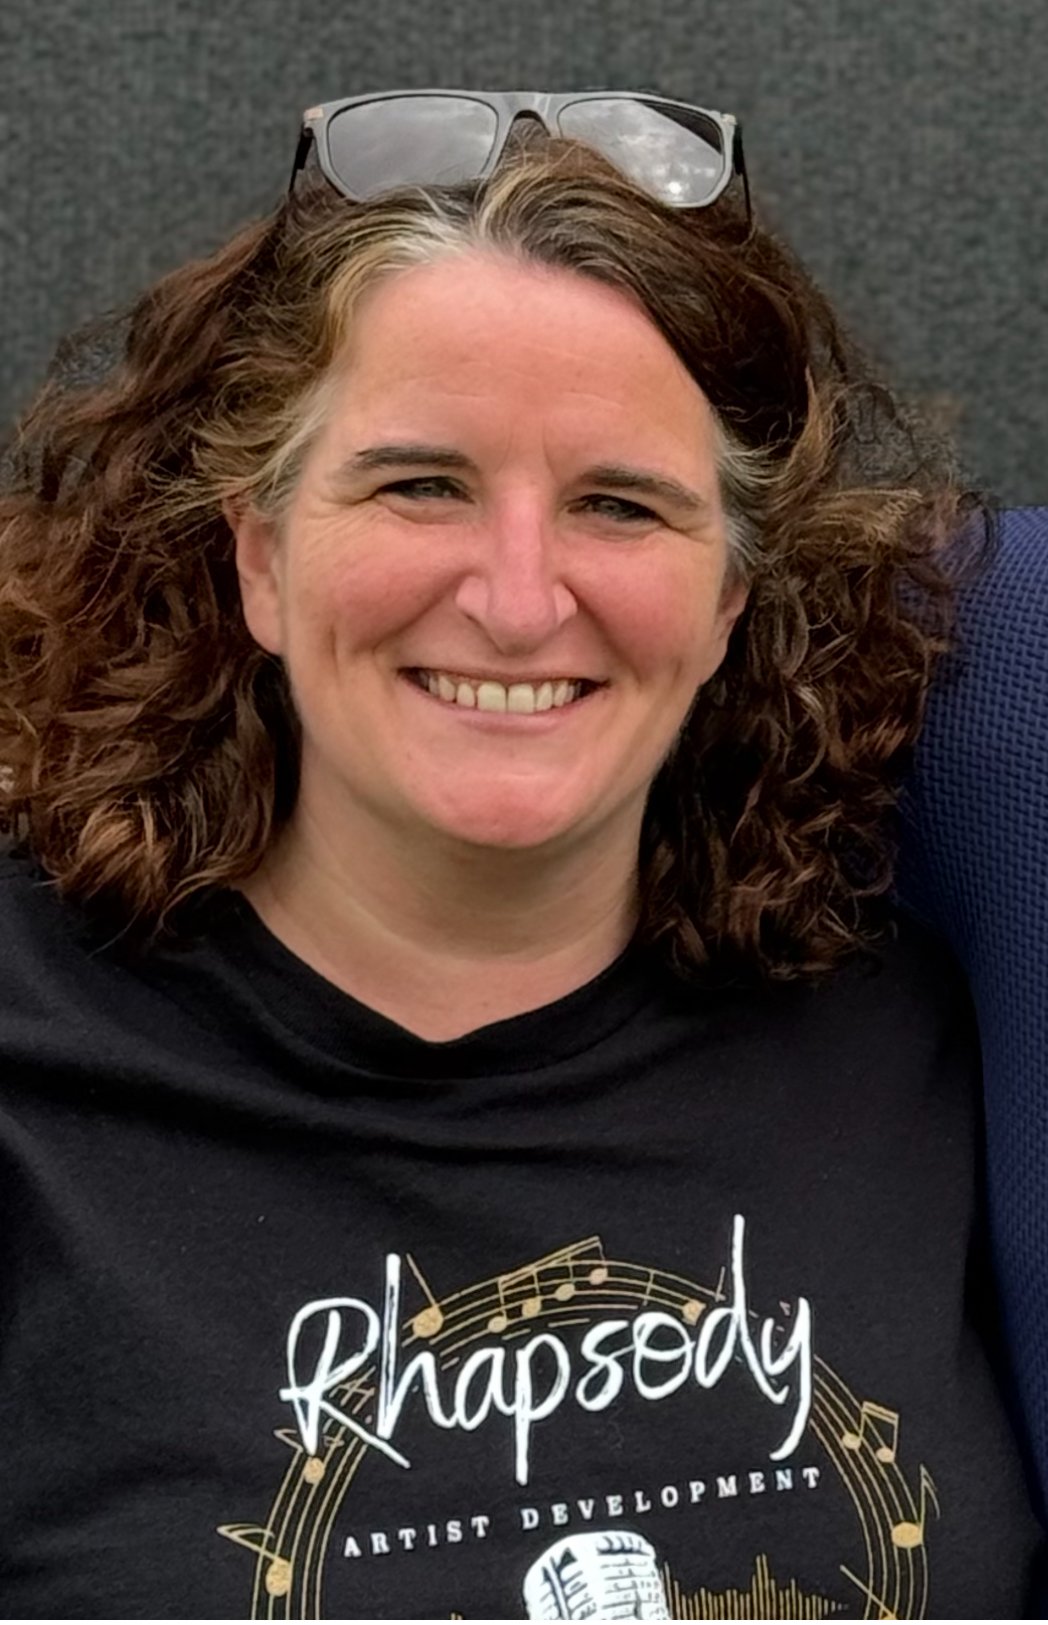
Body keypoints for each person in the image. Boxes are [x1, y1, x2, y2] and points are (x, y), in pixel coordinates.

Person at [0, 89, 1039, 1621]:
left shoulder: (915, 1037)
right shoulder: (37, 1071)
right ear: (261, 553)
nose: (518, 596)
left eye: (620, 504)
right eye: (421, 483)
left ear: (728, 601)